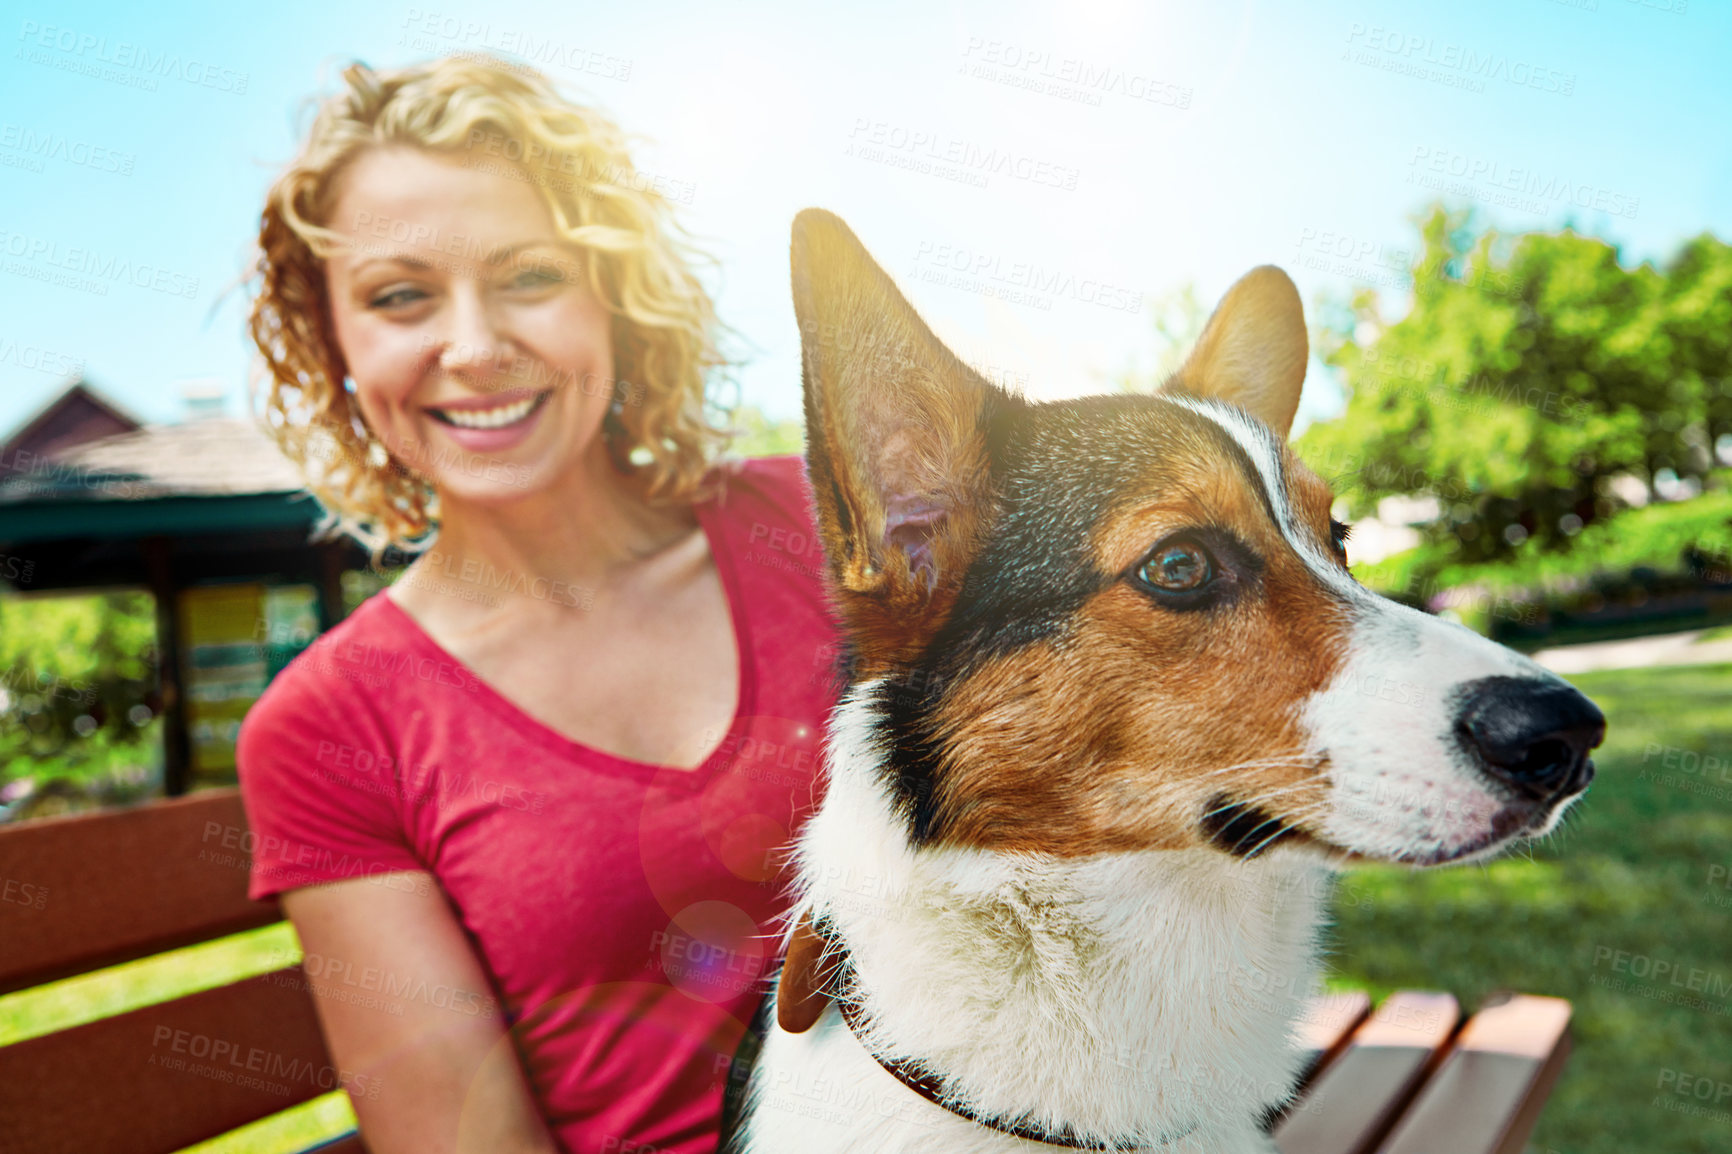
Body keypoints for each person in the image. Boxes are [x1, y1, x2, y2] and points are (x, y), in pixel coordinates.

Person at [238, 54, 837, 1154]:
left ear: (614, 291)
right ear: (335, 345)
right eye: (401, 296)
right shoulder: (330, 728)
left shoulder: (813, 521)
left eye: (527, 276)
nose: (473, 347)